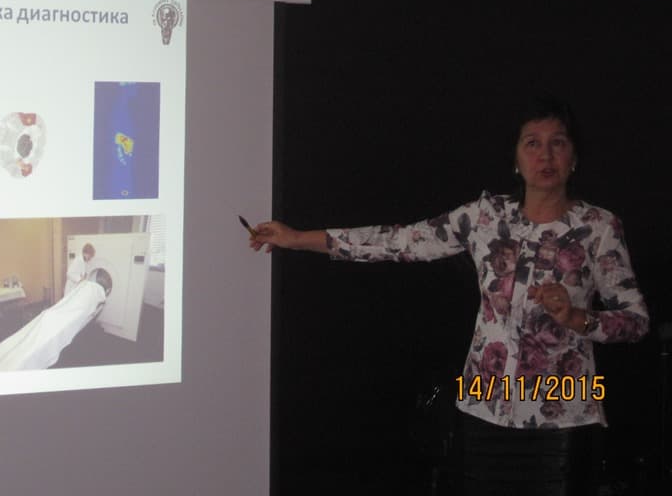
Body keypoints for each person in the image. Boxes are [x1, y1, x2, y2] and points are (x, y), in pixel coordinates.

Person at [249, 96, 649, 495]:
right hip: (483, 408)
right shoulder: (485, 217)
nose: (545, 154)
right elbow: (399, 241)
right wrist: (297, 239)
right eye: (532, 143)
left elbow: (636, 321)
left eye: (557, 142)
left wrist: (578, 318)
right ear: (515, 158)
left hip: (564, 413)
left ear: (573, 157)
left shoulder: (599, 227)